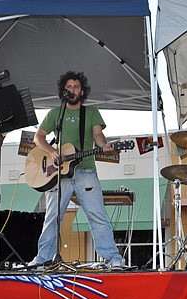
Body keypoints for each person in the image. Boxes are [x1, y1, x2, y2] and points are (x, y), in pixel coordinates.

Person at [26, 71, 124, 270]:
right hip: (58, 174)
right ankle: (43, 258)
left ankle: (112, 258)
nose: (73, 90)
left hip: (85, 171)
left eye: (76, 86)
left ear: (82, 90)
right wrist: (52, 151)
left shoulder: (91, 112)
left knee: (97, 215)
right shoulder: (56, 113)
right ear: (64, 90)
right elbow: (39, 137)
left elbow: (98, 135)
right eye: (69, 87)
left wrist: (104, 145)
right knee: (52, 217)